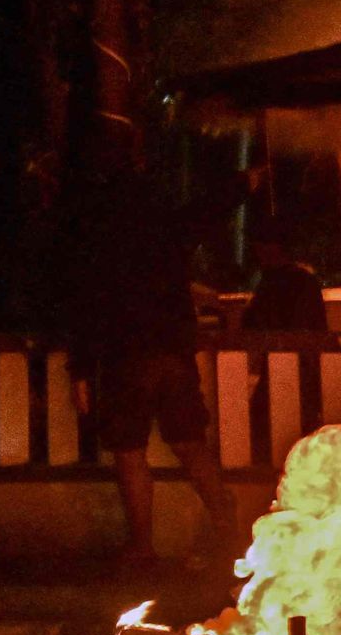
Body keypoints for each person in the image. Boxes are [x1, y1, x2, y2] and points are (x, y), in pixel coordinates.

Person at [59, 143, 247, 571]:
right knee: (190, 443)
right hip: (173, 350)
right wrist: (243, 183)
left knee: (129, 450)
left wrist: (82, 368)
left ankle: (143, 544)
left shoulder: (97, 234)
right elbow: (208, 208)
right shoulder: (167, 224)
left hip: (127, 354)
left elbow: (86, 306)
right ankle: (228, 532)